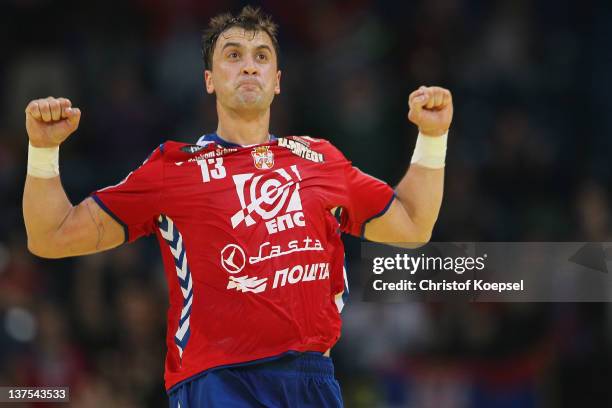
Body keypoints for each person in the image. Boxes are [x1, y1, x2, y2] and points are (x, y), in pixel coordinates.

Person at [22, 6, 452, 408]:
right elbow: (52, 236)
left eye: (261, 55)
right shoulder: (173, 169)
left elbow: (412, 224)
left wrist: (433, 138)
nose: (249, 65)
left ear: (278, 79)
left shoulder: (321, 159)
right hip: (218, 380)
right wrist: (43, 151)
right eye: (233, 54)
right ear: (209, 78)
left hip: (312, 378)